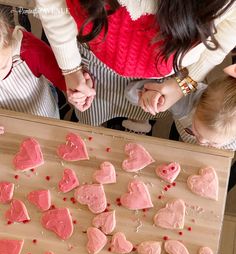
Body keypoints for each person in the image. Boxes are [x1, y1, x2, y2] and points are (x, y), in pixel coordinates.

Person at [35, 0, 236, 129]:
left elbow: (230, 26)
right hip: (94, 59)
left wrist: (183, 84)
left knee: (141, 114)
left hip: (164, 78)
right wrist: (70, 67)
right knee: (93, 113)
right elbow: (52, 6)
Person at [129, 64, 236, 150]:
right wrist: (150, 96)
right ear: (197, 104)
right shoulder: (184, 97)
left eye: (214, 143)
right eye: (197, 131)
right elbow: (130, 92)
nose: (201, 142)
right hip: (184, 144)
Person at [0, 6, 66, 118]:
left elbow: (63, 77)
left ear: (8, 42)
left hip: (44, 116)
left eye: (1, 67)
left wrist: (76, 92)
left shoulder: (28, 48)